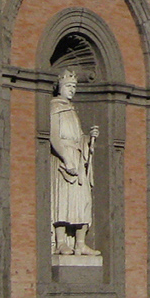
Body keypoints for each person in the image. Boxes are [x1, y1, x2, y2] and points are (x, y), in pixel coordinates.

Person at [50, 70, 100, 257]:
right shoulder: (55, 108)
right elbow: (54, 136)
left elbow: (78, 138)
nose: (71, 90)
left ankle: (80, 243)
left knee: (83, 201)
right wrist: (65, 156)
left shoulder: (71, 109)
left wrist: (88, 139)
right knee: (63, 201)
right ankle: (60, 242)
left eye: (74, 87)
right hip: (64, 160)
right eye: (68, 87)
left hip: (79, 159)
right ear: (59, 88)